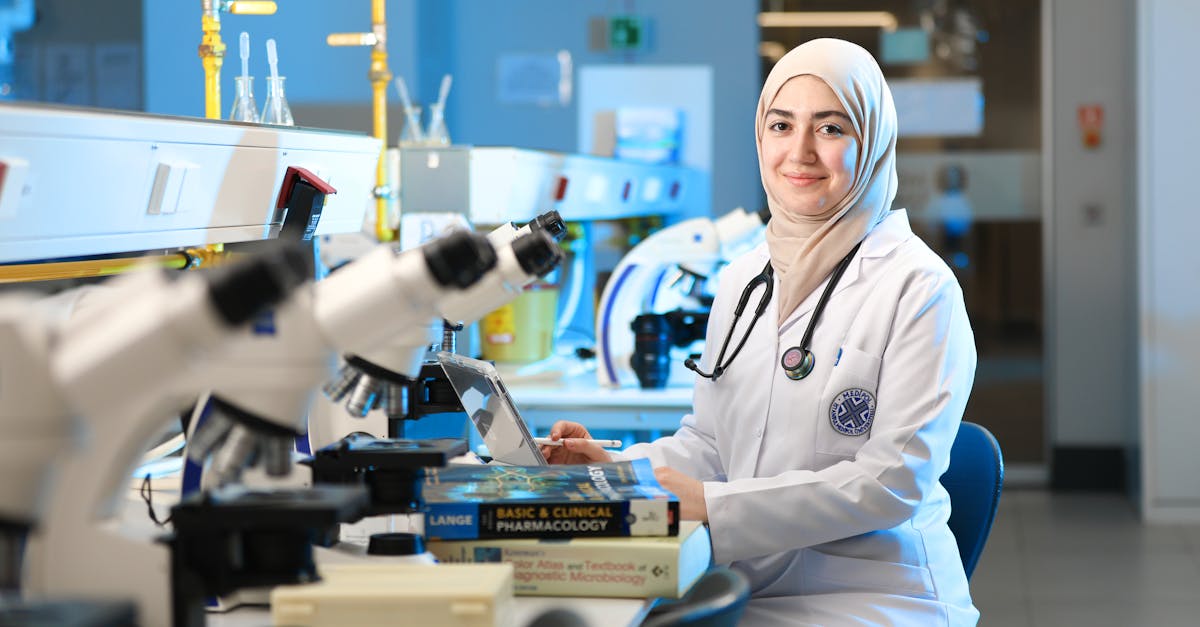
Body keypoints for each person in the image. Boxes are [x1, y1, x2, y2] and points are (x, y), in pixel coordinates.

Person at [542, 38, 978, 626]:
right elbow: (711, 444)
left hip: (874, 595)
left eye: (830, 128)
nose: (799, 152)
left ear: (872, 142)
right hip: (749, 577)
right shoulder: (747, 277)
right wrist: (617, 473)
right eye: (781, 125)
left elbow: (892, 483)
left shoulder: (920, 288)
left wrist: (711, 507)